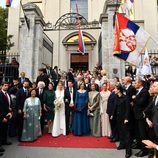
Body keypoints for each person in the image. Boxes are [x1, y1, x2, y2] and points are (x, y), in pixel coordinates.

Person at [112, 84, 132, 158]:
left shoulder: (125, 98)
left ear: (119, 90)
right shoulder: (117, 97)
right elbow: (115, 107)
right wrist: (112, 115)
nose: (114, 90)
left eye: (115, 89)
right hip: (118, 117)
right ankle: (122, 145)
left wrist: (126, 118)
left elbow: (128, 109)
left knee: (127, 135)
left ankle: (128, 151)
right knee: (120, 132)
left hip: (124, 118)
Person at [132, 79, 150, 157]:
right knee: (138, 132)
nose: (134, 84)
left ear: (140, 84)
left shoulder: (144, 91)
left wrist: (134, 98)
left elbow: (140, 102)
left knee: (143, 133)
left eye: (135, 83)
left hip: (141, 115)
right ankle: (139, 145)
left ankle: (145, 150)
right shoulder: (138, 91)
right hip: (136, 114)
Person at [0, 82, 12, 157]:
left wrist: (10, 112)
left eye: (7, 85)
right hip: (1, 116)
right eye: (5, 85)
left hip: (7, 114)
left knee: (5, 129)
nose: (6, 87)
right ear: (1, 86)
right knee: (0, 130)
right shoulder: (0, 94)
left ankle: (4, 141)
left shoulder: (8, 94)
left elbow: (9, 104)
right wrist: (2, 117)